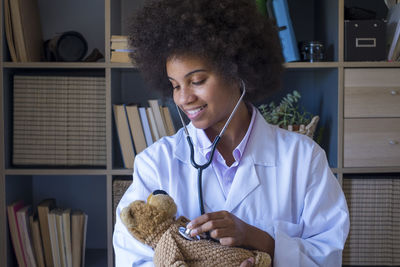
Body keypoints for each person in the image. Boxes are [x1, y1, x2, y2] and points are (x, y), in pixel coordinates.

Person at [113, 0, 350, 266]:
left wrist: (260, 240)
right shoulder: (156, 163)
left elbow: (327, 255)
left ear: (237, 71)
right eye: (175, 85)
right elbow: (131, 257)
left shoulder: (303, 159)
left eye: (197, 81)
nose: (183, 98)